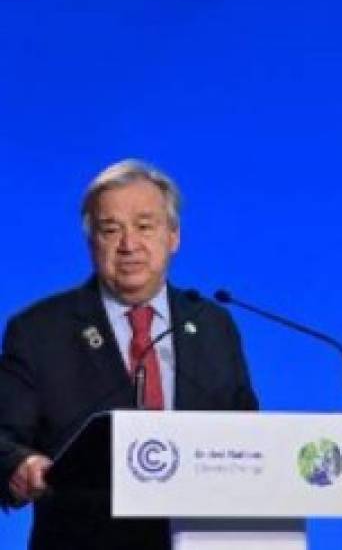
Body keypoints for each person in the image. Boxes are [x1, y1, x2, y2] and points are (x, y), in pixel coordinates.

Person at [0, 160, 257, 550]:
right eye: (111, 229)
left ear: (173, 237)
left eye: (144, 226)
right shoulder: (38, 331)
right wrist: (21, 465)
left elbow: (249, 436)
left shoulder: (212, 326)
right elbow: (3, 437)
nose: (129, 244)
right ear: (92, 243)